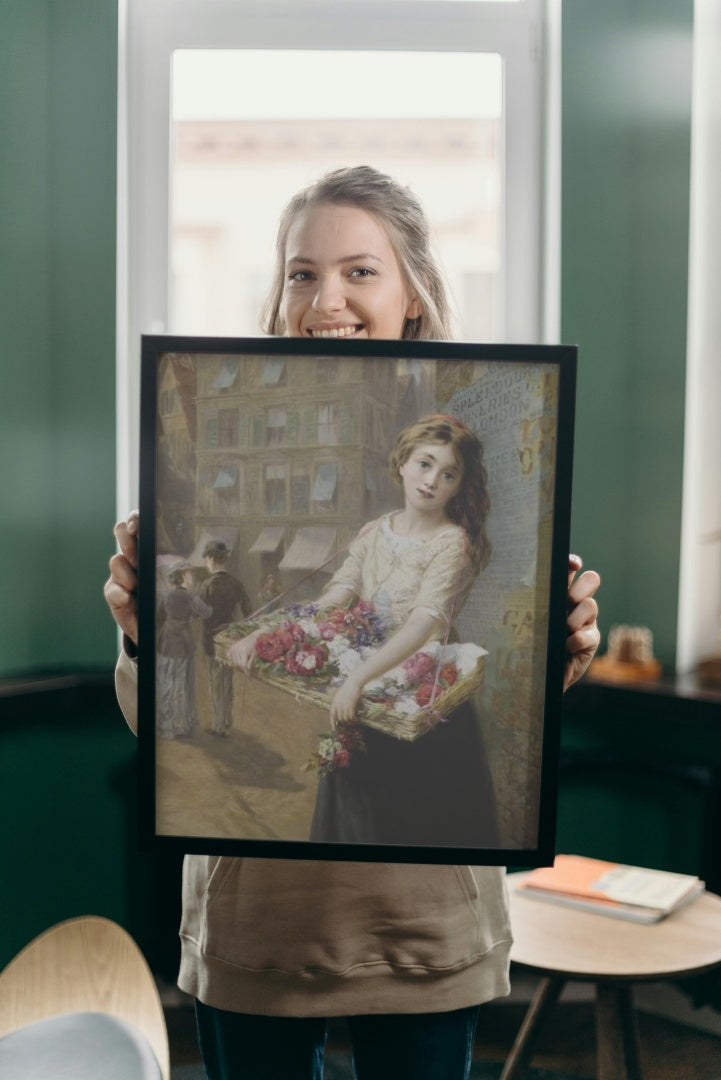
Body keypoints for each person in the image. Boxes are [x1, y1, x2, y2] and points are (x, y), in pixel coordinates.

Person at [105, 165, 601, 1080]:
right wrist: (162, 636)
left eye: (359, 271)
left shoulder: (472, 501)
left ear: (413, 292)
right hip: (258, 921)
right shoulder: (353, 518)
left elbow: (438, 643)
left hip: (422, 917)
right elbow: (166, 728)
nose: (324, 297)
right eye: (301, 272)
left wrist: (555, 658)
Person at [230, 412, 497, 848]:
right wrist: (265, 633)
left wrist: (357, 679)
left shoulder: (452, 543)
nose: (432, 480)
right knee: (355, 826)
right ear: (403, 462)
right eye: (425, 464)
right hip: (364, 696)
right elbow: (332, 599)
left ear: (459, 485)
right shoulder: (375, 532)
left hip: (416, 698)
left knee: (409, 828)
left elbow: (421, 624)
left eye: (448, 474)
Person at [199, 539, 252, 737]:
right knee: (227, 681)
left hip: (211, 640)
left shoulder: (206, 585)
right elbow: (249, 612)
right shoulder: (236, 584)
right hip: (230, 639)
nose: (206, 563)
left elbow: (199, 613)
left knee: (216, 682)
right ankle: (227, 721)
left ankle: (218, 726)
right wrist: (239, 630)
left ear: (212, 559)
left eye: (206, 559)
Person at [156, 561, 212, 739]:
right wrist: (194, 612)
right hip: (183, 642)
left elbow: (159, 618)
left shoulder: (166, 596)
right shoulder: (190, 597)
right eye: (189, 574)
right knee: (181, 682)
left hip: (166, 641)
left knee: (166, 681)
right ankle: (180, 725)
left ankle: (166, 726)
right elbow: (207, 612)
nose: (192, 577)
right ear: (182, 576)